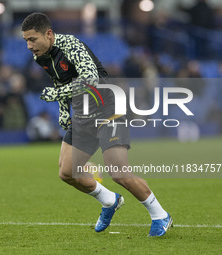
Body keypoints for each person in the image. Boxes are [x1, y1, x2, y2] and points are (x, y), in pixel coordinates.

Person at [21, 12, 172, 236]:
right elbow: (59, 81)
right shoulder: (41, 56)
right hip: (83, 116)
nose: (29, 46)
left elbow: (90, 81)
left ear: (49, 34)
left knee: (119, 172)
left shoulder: (71, 45)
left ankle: (160, 215)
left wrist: (57, 94)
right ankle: (110, 201)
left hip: (107, 110)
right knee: (67, 172)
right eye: (25, 41)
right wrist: (63, 111)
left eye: (32, 39)